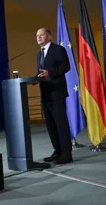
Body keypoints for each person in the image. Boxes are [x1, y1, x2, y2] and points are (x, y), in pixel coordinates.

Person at [36, 27, 73, 165]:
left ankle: (66, 153)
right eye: (37, 35)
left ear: (49, 36)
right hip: (45, 94)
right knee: (50, 125)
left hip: (57, 92)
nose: (38, 37)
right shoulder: (38, 55)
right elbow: (41, 72)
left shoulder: (58, 49)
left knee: (60, 123)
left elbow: (66, 67)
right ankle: (57, 150)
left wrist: (49, 73)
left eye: (41, 35)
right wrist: (34, 78)